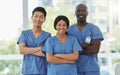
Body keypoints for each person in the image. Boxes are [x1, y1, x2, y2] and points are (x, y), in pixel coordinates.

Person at [67, 3, 104, 75]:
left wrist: (76, 49)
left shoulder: (94, 29)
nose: (81, 12)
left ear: (87, 13)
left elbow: (94, 49)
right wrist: (84, 47)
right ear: (75, 13)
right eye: (78, 10)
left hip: (91, 69)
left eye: (83, 10)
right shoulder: (69, 30)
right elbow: (67, 50)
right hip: (75, 69)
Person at [17, 7, 51, 75]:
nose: (38, 19)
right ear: (32, 17)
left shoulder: (47, 35)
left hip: (42, 71)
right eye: (36, 16)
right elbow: (21, 50)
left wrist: (27, 49)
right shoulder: (24, 34)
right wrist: (39, 48)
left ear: (44, 19)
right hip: (28, 70)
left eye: (41, 17)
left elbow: (46, 54)